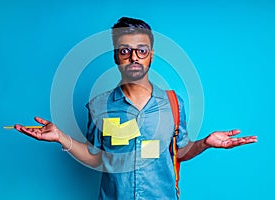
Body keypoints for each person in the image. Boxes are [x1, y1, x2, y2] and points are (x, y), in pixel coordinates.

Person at [15, 17, 257, 199]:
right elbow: (95, 157)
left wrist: (204, 143)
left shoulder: (173, 104)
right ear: (115, 56)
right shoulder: (98, 106)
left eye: (141, 50)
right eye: (125, 50)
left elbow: (179, 152)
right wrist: (60, 137)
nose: (133, 57)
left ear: (150, 55)